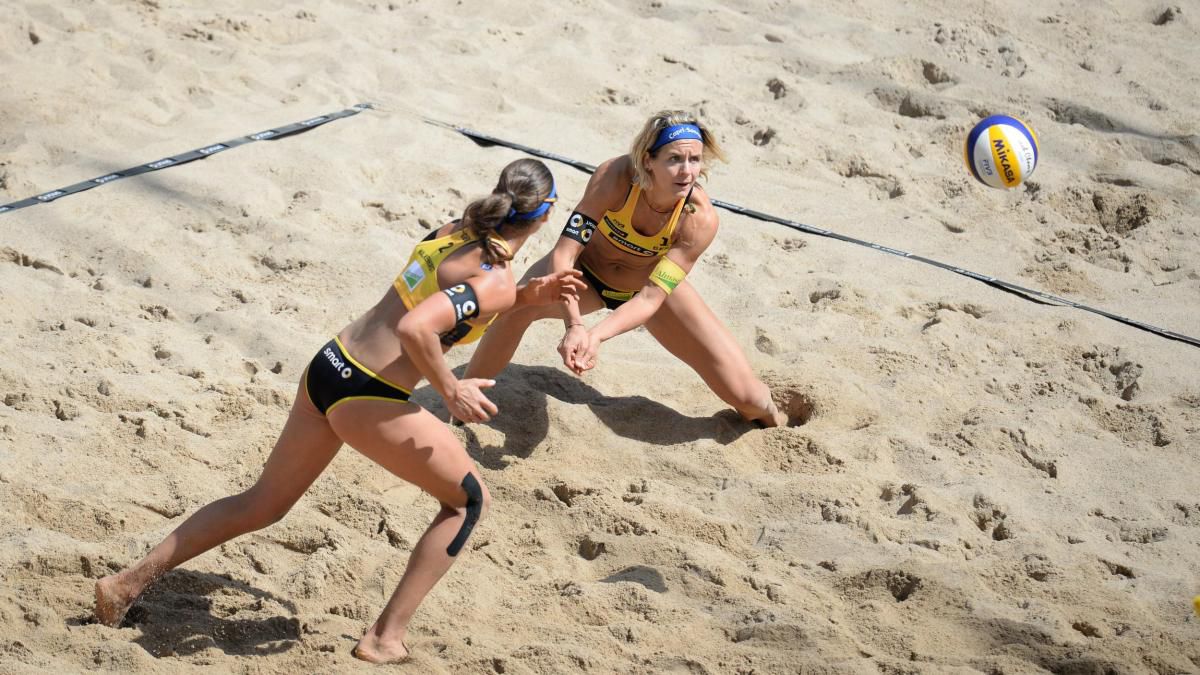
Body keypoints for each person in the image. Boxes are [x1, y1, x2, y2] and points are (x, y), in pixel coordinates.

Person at [93, 159, 584, 664]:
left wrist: (523, 297)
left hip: (329, 367)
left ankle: (126, 585)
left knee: (262, 503)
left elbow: (444, 296)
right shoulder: (494, 277)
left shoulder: (458, 229)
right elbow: (419, 328)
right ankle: (383, 639)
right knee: (467, 503)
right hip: (368, 394)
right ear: (545, 216)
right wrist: (451, 388)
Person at [464, 110, 789, 427]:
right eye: (674, 159)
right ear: (648, 160)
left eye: (695, 160)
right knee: (513, 307)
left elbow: (650, 299)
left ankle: (777, 417)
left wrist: (595, 336)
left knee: (747, 397)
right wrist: (574, 324)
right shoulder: (614, 178)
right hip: (585, 276)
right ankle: (464, 400)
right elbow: (563, 255)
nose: (687, 172)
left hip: (645, 291)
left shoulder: (699, 219)